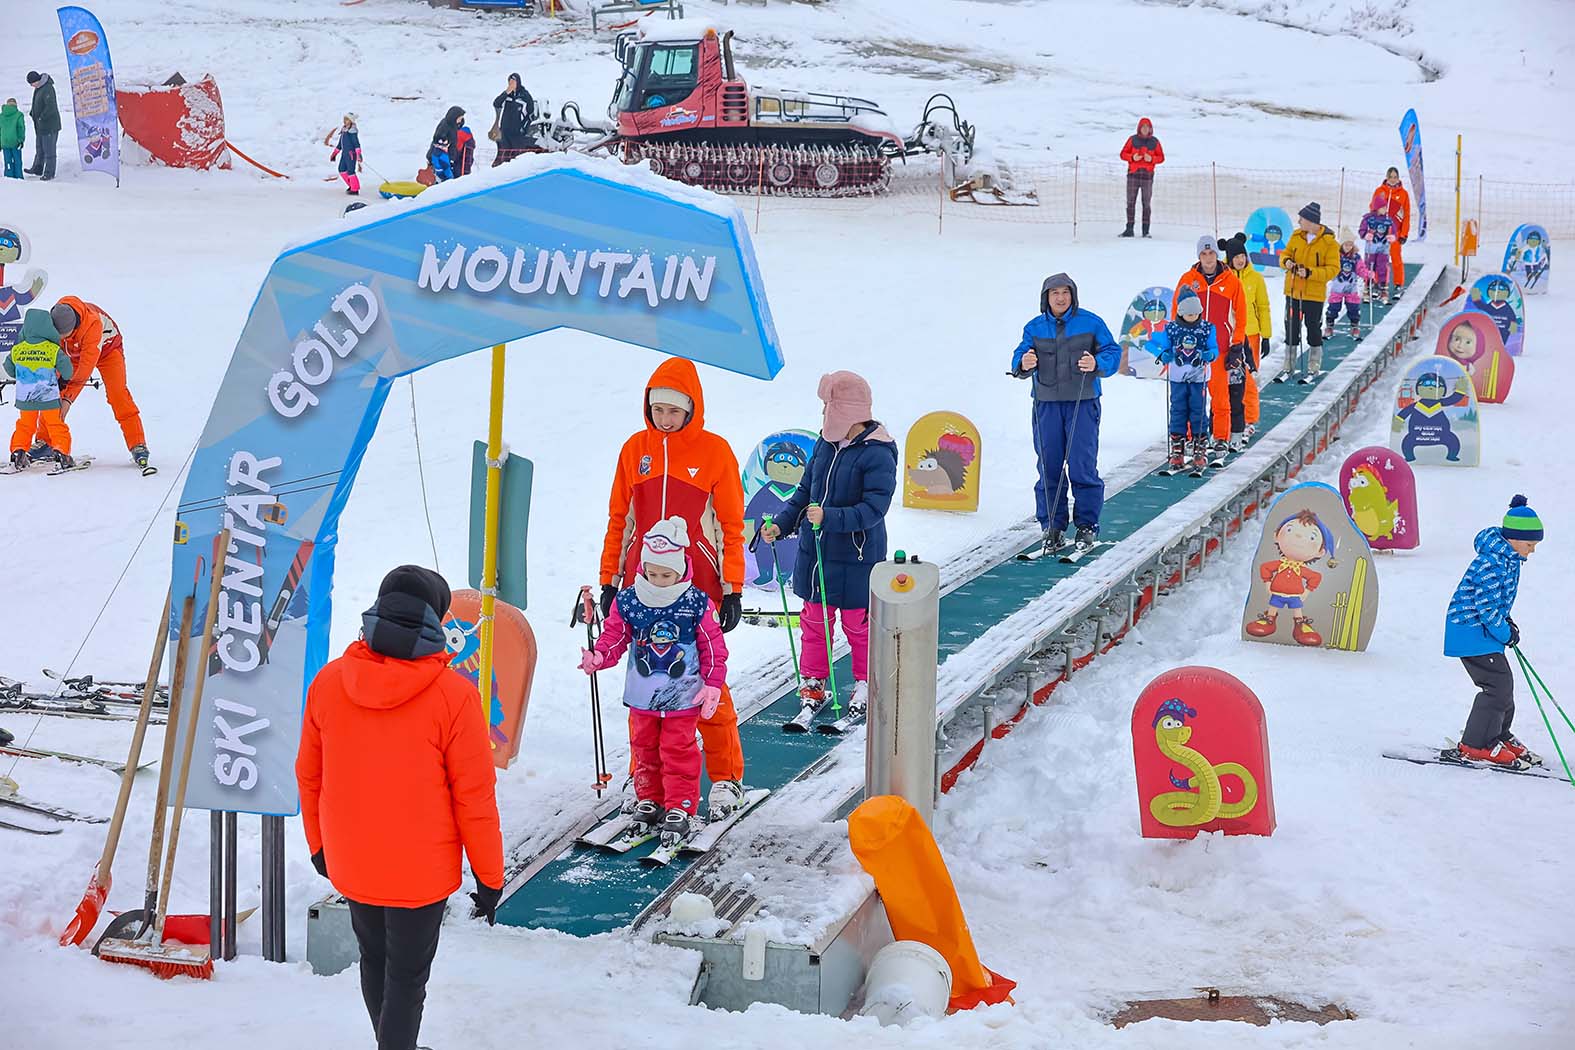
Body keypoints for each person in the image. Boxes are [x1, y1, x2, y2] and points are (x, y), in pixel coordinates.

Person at [296, 565, 503, 1050]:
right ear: (434, 620)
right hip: (420, 870)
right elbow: (474, 798)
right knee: (407, 978)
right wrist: (489, 877)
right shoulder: (453, 696)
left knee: (375, 960)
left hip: (351, 858)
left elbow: (309, 775)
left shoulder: (329, 682)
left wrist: (319, 845)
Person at [598, 359, 749, 821]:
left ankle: (726, 779)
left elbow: (730, 525)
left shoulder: (714, 452)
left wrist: (732, 587)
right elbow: (619, 521)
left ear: (691, 409)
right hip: (643, 588)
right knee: (645, 684)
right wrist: (610, 580)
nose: (664, 418)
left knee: (707, 685)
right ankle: (643, 777)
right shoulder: (633, 450)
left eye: (673, 410)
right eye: (656, 409)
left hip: (696, 587)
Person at [758, 371, 897, 720]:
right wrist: (783, 522)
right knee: (815, 621)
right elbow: (805, 493)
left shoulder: (877, 453)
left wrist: (830, 518)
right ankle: (815, 681)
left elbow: (874, 509)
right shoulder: (824, 444)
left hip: (857, 555)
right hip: (816, 554)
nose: (823, 415)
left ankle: (866, 681)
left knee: (857, 624)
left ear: (848, 411)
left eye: (828, 408)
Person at [582, 518, 728, 846]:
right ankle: (650, 797)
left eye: (666, 575)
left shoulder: (694, 602)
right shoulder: (630, 600)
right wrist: (599, 657)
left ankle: (680, 805)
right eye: (652, 573)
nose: (658, 581)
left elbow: (712, 645)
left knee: (678, 750)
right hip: (642, 696)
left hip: (682, 695)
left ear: (679, 571)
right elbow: (616, 637)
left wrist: (713, 683)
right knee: (644, 748)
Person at [1010, 273, 1121, 557]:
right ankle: (1052, 526)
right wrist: (1023, 362)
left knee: (1082, 465)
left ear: (1073, 295)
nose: (1060, 298)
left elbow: (1112, 351)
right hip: (1046, 405)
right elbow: (1019, 358)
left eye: (1065, 292)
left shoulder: (1091, 323)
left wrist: (1097, 362)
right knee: (1049, 466)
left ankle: (1086, 524)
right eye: (1054, 293)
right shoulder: (1034, 328)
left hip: (1082, 403)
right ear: (1045, 297)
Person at [1444, 495, 1543, 768]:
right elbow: (1485, 608)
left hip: (1483, 631)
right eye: (1530, 544)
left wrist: (1508, 625)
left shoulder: (1508, 559)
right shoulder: (1493, 563)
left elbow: (1499, 602)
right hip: (1470, 630)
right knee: (1496, 687)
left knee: (1503, 685)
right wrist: (1503, 632)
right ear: (1513, 539)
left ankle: (1497, 734)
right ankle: (1475, 744)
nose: (1532, 550)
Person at [44, 298, 150, 471]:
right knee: (54, 391)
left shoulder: (92, 325)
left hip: (108, 351)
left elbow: (84, 371)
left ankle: (138, 444)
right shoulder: (57, 315)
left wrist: (68, 400)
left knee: (118, 394)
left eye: (65, 335)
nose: (61, 338)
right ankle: (44, 442)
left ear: (75, 328)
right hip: (75, 354)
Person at [1174, 237, 1247, 455]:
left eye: (1211, 254)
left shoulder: (1231, 280)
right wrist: (1177, 340)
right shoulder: (1188, 280)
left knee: (1220, 395)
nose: (1208, 259)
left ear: (1217, 255)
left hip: (1219, 348)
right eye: (1204, 255)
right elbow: (1175, 310)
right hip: (1191, 350)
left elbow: (1241, 316)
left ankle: (1221, 437)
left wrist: (1237, 345)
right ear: (1199, 256)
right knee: (1193, 396)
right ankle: (1192, 437)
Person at [1147, 290, 1217, 474]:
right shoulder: (1172, 329)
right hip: (1178, 378)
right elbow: (1151, 343)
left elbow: (1214, 348)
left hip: (1199, 377)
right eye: (1188, 313)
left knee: (1198, 410)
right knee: (1178, 409)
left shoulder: (1207, 328)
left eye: (1195, 313)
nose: (1192, 317)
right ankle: (1177, 445)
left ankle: (1199, 446)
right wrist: (1162, 354)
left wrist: (1210, 354)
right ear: (1180, 312)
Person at [1278, 202, 1340, 383]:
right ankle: (1288, 365)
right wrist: (1287, 262)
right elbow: (1284, 255)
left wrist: (1310, 273)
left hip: (1313, 295)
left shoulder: (1329, 243)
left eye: (1302, 219)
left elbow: (1333, 269)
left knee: (1313, 328)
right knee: (1291, 328)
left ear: (1312, 221)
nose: (1299, 222)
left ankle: (1314, 366)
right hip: (1293, 292)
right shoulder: (1297, 236)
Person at [4, 308, 73, 470]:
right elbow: (67, 369)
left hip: (25, 398)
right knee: (55, 425)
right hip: (48, 398)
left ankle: (18, 451)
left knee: (25, 425)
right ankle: (62, 452)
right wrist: (63, 378)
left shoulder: (18, 349)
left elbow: (8, 367)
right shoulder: (52, 349)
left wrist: (20, 375)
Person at [1220, 233, 1269, 438]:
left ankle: (1249, 420)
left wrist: (1265, 335)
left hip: (1251, 334)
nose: (1240, 260)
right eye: (1235, 257)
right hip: (1229, 338)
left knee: (1248, 380)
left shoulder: (1255, 278)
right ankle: (1228, 420)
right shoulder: (1222, 278)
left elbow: (1263, 306)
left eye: (1242, 255)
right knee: (1228, 382)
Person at [1118, 118, 1164, 238]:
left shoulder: (1155, 142)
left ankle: (1145, 231)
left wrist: (1152, 159)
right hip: (1133, 174)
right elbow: (1122, 154)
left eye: (1147, 127)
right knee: (1130, 203)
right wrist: (1133, 157)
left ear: (1150, 128)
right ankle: (1129, 229)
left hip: (1147, 176)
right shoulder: (1132, 140)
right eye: (1142, 126)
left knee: (1146, 204)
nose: (1145, 129)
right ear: (1139, 128)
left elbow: (1161, 157)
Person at [1370, 167, 1411, 297]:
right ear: (1387, 177)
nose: (1393, 179)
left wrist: (1404, 234)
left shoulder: (1403, 194)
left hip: (1395, 233)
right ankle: (1378, 284)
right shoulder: (1379, 191)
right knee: (1379, 258)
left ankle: (1399, 284)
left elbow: (1406, 215)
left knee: (1396, 259)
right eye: (1391, 177)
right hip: (1380, 232)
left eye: (1395, 177)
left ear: (1398, 178)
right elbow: (1372, 209)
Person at [1324, 228, 1368, 340]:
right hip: (1337, 288)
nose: (1348, 247)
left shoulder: (1356, 257)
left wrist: (1366, 274)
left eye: (1350, 244)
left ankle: (1354, 326)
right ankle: (1329, 326)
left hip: (1350, 288)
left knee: (1353, 308)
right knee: (1333, 308)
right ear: (1341, 244)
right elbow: (1330, 266)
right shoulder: (1336, 256)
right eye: (1346, 244)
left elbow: (1360, 269)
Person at [491, 73, 537, 166]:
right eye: (510, 81)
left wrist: (524, 128)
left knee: (517, 157)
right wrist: (506, 92)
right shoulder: (507, 94)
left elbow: (531, 114)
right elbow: (496, 103)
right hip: (505, 130)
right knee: (505, 157)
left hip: (517, 132)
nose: (511, 83)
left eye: (513, 81)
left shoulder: (525, 95)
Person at [24, 72, 59, 181]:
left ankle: (49, 173)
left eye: (31, 83)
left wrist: (41, 117)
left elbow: (51, 107)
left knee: (49, 150)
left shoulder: (48, 88)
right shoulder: (39, 88)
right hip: (40, 126)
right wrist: (32, 112)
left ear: (36, 80)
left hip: (49, 125)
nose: (31, 86)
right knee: (40, 148)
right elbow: (37, 103)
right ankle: (37, 168)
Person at [1358, 206, 1394, 304]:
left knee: (1383, 267)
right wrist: (1365, 235)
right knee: (1370, 266)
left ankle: (1383, 288)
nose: (1385, 209)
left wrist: (1392, 237)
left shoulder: (1388, 220)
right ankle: (1368, 287)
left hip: (1383, 247)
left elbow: (1393, 231)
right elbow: (1362, 230)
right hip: (1371, 248)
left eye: (1386, 207)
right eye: (1383, 207)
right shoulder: (1369, 219)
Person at [327, 114, 363, 196]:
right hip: (344, 154)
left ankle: (355, 189)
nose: (344, 121)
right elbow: (340, 144)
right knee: (341, 169)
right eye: (344, 119)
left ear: (351, 121)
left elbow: (356, 143)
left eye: (347, 119)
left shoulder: (352, 131)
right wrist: (334, 153)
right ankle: (351, 185)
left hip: (351, 154)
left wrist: (358, 154)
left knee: (351, 171)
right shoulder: (344, 130)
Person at [428, 106, 465, 182]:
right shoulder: (445, 127)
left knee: (447, 171)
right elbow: (437, 139)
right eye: (460, 118)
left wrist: (451, 159)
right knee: (444, 173)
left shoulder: (453, 125)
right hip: (440, 155)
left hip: (447, 154)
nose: (461, 120)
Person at [0, 98, 24, 181]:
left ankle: (9, 176)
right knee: (17, 161)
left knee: (8, 160)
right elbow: (21, 128)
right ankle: (18, 176)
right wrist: (21, 140)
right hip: (15, 142)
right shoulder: (19, 115)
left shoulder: (1, 116)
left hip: (4, 142)